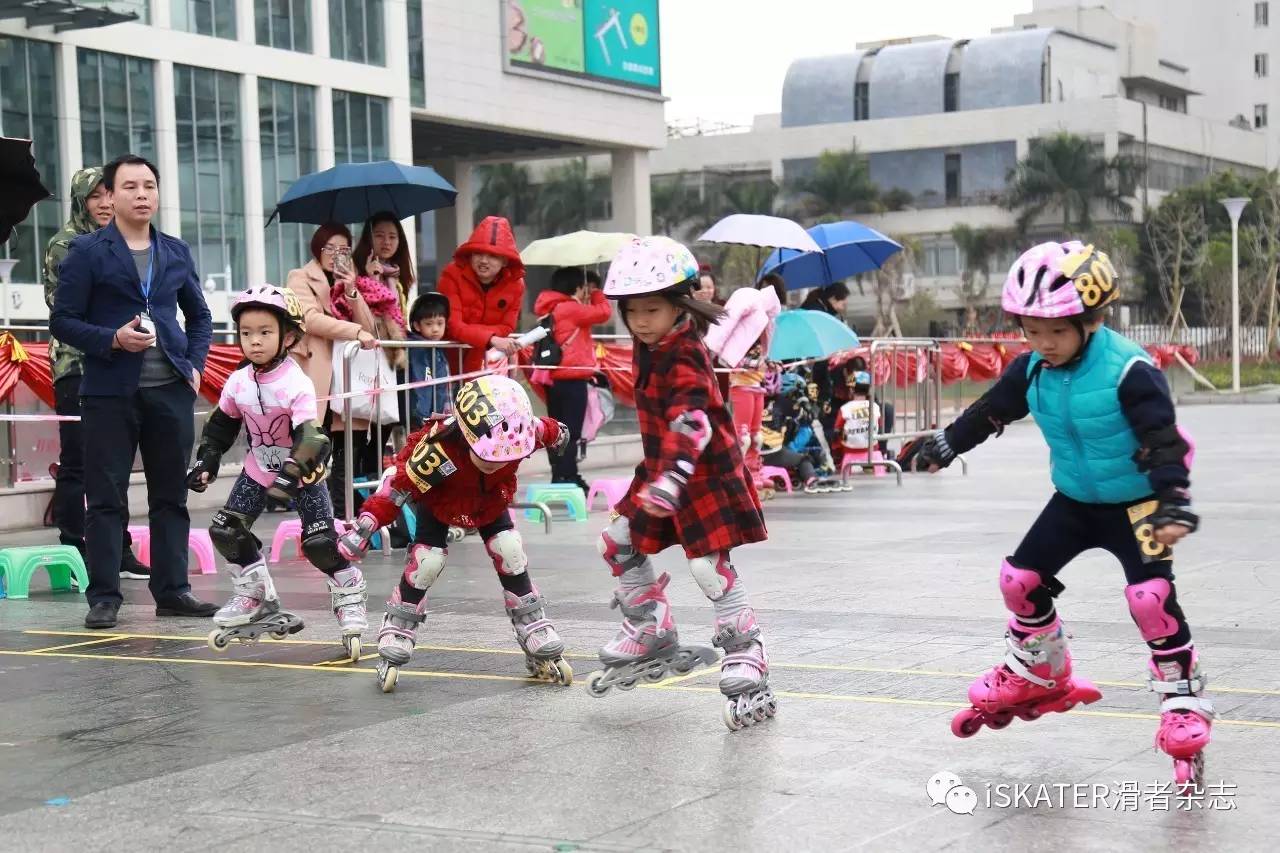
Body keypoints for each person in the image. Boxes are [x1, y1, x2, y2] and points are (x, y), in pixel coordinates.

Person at [914, 241, 1211, 790]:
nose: (1042, 344)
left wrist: (1173, 501)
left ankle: (1183, 700)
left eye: (1055, 332)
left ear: (1090, 321)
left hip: (1140, 503)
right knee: (1019, 582)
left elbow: (1162, 438)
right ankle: (1044, 670)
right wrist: (946, 445)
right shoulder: (1031, 369)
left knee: (1151, 601)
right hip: (1075, 500)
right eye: (1031, 330)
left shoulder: (1130, 370)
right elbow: (990, 411)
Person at [586, 236, 775, 731]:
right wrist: (661, 478)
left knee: (708, 567)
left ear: (680, 304)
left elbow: (693, 419)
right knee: (617, 540)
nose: (642, 321)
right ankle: (651, 626)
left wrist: (671, 478)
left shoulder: (686, 353)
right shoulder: (650, 345)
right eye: (633, 311)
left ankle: (745, 648)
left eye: (653, 309)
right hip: (660, 472)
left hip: (701, 475)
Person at [50, 154, 216, 629]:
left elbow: (200, 316)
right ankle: (104, 596)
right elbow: (62, 321)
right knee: (106, 497)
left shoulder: (176, 251)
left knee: (171, 496)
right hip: (108, 390)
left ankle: (173, 591)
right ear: (109, 195)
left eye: (149, 185)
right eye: (130, 187)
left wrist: (196, 365)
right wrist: (111, 339)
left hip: (170, 390)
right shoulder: (87, 251)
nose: (141, 194)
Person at [338, 375, 573, 693]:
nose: (494, 464)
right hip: (439, 501)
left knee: (509, 548)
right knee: (427, 561)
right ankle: (399, 625)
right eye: (488, 457)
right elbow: (397, 488)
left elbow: (550, 429)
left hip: (490, 501)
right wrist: (366, 524)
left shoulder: (522, 429)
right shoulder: (438, 450)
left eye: (505, 458)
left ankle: (531, 623)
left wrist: (560, 433)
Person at [186, 286, 367, 659]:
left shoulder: (295, 382)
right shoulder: (238, 380)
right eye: (246, 333)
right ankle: (256, 596)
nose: (254, 341)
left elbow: (314, 439)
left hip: (303, 475)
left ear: (288, 336)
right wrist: (207, 460)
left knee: (319, 545)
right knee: (225, 530)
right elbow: (222, 425)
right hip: (258, 471)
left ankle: (349, 592)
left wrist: (289, 476)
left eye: (264, 332)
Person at [42, 166, 149, 580]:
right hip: (75, 364)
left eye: (110, 194)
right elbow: (65, 308)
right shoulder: (65, 244)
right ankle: (73, 548)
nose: (106, 203)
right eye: (96, 196)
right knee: (77, 459)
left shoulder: (124, 242)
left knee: (115, 461)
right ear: (80, 201)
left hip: (118, 361)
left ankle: (117, 549)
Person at [286, 223, 378, 518]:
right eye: (330, 248)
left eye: (343, 250)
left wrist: (352, 290)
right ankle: (316, 521)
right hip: (318, 376)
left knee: (344, 457)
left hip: (347, 380)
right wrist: (353, 331)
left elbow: (370, 328)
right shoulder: (300, 277)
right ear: (317, 248)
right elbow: (309, 319)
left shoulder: (350, 281)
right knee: (314, 452)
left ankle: (341, 520)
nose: (336, 255)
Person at [532, 267, 612, 492]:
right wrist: (596, 294)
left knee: (557, 430)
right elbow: (604, 312)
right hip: (573, 379)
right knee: (571, 432)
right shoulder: (571, 308)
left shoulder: (552, 308)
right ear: (576, 287)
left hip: (555, 380)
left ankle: (563, 475)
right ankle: (567, 478)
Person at [437, 215, 525, 376]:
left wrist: (476, 335)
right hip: (445, 367)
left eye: (493, 255)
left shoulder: (516, 285)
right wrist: (491, 339)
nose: (484, 260)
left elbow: (507, 327)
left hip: (486, 365)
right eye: (478, 253)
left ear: (505, 261)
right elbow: (454, 325)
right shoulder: (452, 274)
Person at [353, 212, 415, 320]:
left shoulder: (397, 272)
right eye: (379, 235)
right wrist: (370, 281)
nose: (386, 242)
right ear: (368, 238)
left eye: (392, 237)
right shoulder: (354, 270)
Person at [407, 292, 454, 429]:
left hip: (434, 417)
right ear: (417, 326)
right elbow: (420, 384)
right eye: (429, 324)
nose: (435, 329)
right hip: (422, 418)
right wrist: (421, 417)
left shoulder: (437, 349)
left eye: (440, 323)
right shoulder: (418, 349)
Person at [832, 371, 881, 466]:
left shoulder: (845, 408)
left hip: (850, 448)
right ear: (869, 389)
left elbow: (837, 430)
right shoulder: (875, 407)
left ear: (851, 390)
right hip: (872, 447)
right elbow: (880, 425)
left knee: (837, 435)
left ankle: (838, 460)